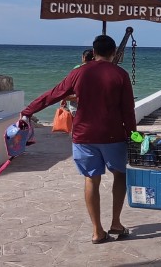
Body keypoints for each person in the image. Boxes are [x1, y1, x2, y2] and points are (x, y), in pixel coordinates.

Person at [21, 34, 136, 244]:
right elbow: (128, 110)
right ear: (114, 53)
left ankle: (97, 231)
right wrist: (133, 135)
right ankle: (116, 223)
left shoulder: (79, 73)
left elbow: (54, 93)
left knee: (91, 179)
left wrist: (28, 111)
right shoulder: (120, 74)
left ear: (93, 52)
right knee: (120, 175)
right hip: (113, 135)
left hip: (83, 135)